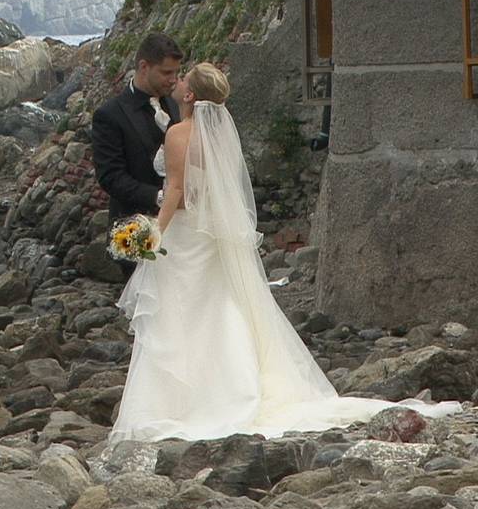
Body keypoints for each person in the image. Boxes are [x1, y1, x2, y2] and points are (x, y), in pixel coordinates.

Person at [108, 63, 461, 443]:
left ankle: (183, 400)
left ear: (190, 96)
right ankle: (235, 383)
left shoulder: (180, 132)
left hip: (188, 232)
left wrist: (153, 233)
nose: (177, 83)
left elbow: (176, 191)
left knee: (183, 311)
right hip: (212, 234)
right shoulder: (220, 134)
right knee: (222, 305)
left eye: (183, 80)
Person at [92, 32, 182, 278]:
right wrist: (159, 197)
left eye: (176, 73)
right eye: (166, 73)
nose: (173, 80)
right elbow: (110, 177)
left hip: (180, 228)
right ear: (144, 67)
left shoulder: (175, 105)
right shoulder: (109, 115)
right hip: (133, 229)